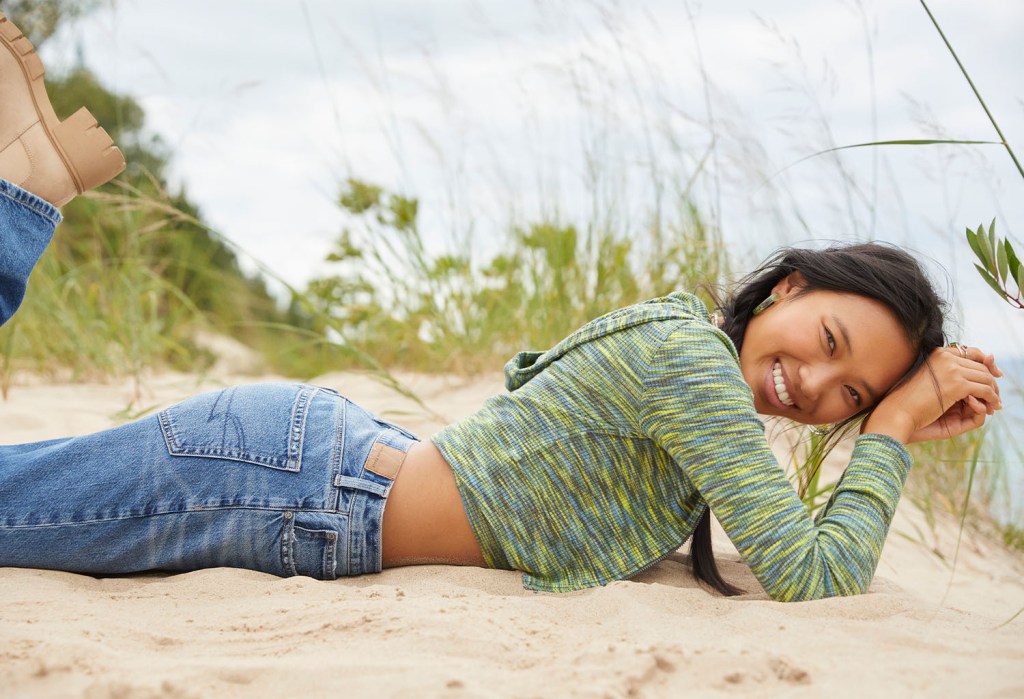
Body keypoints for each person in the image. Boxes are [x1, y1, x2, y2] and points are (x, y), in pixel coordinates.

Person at [0, 12, 1003, 602]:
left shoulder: (697, 383)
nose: (814, 383)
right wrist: (895, 425)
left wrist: (886, 413)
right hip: (289, 488)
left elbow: (770, 545)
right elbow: (811, 576)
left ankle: (23, 186)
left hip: (308, 473)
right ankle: (20, 197)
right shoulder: (695, 367)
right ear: (786, 287)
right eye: (827, 340)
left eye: (848, 391)